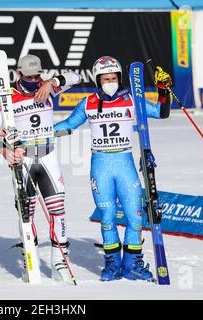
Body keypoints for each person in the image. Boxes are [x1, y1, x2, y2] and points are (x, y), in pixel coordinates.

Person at [54, 56, 172, 282]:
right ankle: (112, 264)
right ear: (98, 81)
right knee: (107, 217)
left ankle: (132, 264)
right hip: (101, 166)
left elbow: (161, 112)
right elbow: (69, 125)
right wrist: (42, 135)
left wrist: (163, 89)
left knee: (135, 217)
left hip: (125, 164)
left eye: (114, 78)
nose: (110, 82)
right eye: (106, 79)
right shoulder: (88, 103)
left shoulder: (131, 100)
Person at [0, 54, 81, 284]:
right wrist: (5, 151)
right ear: (18, 74)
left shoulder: (47, 88)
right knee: (26, 213)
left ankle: (59, 262)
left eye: (37, 75)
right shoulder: (7, 98)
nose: (33, 80)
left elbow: (76, 77)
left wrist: (52, 82)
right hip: (24, 160)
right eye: (28, 76)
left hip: (48, 158)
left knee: (57, 210)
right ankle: (30, 258)